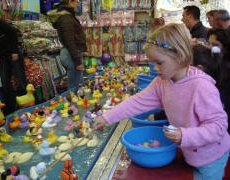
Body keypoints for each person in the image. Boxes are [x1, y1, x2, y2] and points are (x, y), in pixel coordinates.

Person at [93, 23, 230, 180]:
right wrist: (107, 117)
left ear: (180, 56)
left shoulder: (201, 87)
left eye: (159, 62)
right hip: (191, 153)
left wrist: (184, 135)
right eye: (152, 62)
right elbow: (137, 102)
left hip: (212, 157)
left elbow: (218, 126)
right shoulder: (162, 82)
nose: (155, 68)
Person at [0, 15, 27, 115]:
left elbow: (12, 31)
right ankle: (12, 107)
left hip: (12, 52)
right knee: (5, 82)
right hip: (2, 56)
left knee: (20, 79)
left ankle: (28, 103)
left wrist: (15, 51)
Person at [48, 0, 87, 93]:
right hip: (72, 55)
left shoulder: (67, 16)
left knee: (78, 83)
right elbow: (69, 41)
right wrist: (77, 61)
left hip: (72, 53)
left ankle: (77, 104)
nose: (78, 4)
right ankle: (73, 106)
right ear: (70, 2)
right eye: (76, 2)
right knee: (74, 86)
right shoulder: (66, 18)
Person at [207, 28, 230, 133]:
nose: (210, 48)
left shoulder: (226, 72)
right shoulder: (211, 66)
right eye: (209, 43)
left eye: (215, 45)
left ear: (225, 49)